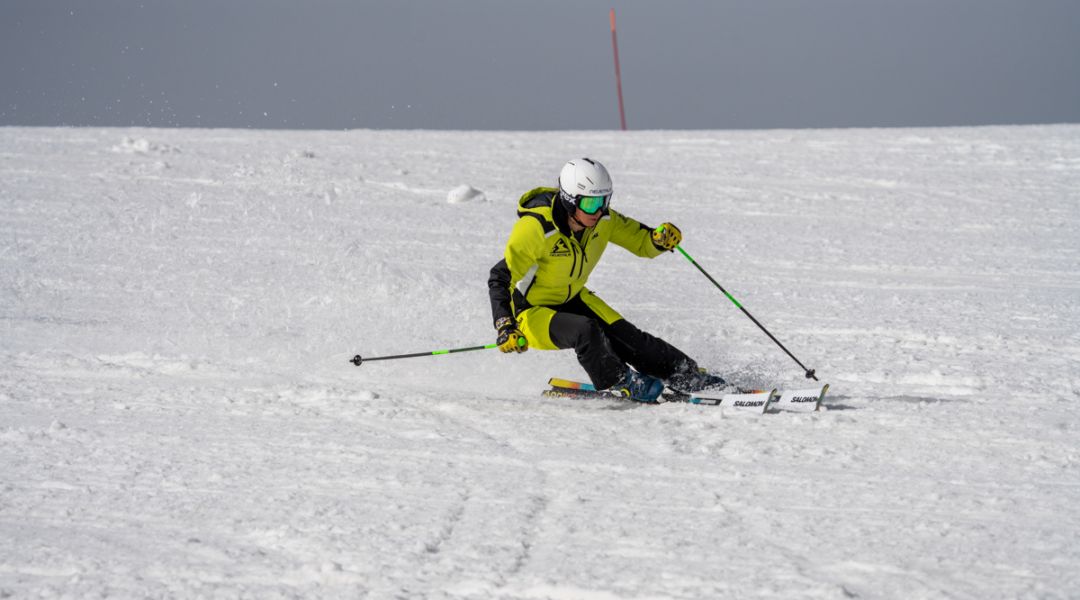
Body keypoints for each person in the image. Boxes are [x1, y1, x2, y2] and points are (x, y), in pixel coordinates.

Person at [487, 157, 724, 402]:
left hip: (574, 297)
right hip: (530, 311)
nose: (598, 211)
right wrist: (505, 325)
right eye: (590, 203)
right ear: (570, 200)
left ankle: (685, 374)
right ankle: (619, 381)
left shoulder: (603, 220)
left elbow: (641, 241)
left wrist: (658, 240)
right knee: (585, 331)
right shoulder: (536, 228)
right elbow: (500, 277)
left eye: (604, 201)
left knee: (630, 338)